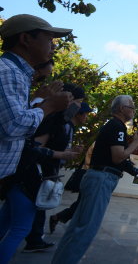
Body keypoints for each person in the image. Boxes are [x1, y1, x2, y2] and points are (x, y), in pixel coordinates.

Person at [52, 95, 138, 264]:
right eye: (130, 106)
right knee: (86, 229)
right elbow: (118, 157)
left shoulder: (112, 126)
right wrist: (137, 142)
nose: (133, 109)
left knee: (77, 226)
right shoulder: (117, 127)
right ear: (120, 109)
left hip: (96, 177)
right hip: (102, 179)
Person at [0, 14, 73, 181]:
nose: (54, 47)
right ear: (25, 39)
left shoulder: (16, 73)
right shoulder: (8, 72)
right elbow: (14, 125)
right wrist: (50, 106)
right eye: (49, 40)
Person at [23, 92, 91, 253]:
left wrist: (69, 151)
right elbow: (37, 147)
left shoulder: (68, 126)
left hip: (46, 171)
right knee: (29, 214)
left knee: (37, 207)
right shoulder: (60, 124)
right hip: (39, 171)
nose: (86, 116)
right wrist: (60, 154)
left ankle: (35, 238)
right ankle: (34, 239)